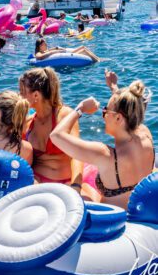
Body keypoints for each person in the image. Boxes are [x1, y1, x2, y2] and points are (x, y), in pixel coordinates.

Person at [50, 71, 153, 209]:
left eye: (105, 111)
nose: (103, 116)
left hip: (115, 219)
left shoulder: (105, 155)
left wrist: (80, 109)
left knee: (80, 188)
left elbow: (56, 136)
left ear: (118, 118)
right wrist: (113, 87)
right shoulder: (145, 134)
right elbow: (129, 107)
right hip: (140, 208)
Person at [18, 67, 83, 186]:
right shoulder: (26, 123)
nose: (19, 96)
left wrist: (76, 186)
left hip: (67, 182)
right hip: (36, 182)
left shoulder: (64, 116)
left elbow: (77, 154)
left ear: (36, 95)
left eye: (22, 92)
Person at [34, 37, 99, 62]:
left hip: (64, 54)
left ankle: (98, 58)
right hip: (66, 56)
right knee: (83, 50)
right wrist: (54, 52)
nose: (46, 45)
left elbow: (50, 50)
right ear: (40, 46)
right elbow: (39, 57)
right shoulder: (38, 53)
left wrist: (57, 48)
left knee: (83, 47)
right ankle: (97, 61)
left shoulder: (44, 50)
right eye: (45, 44)